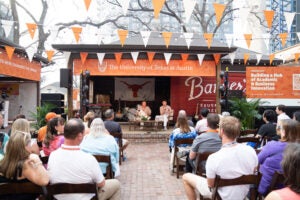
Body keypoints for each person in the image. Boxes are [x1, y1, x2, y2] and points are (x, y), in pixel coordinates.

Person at [182, 116, 258, 200]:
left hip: (220, 195)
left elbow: (210, 185)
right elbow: (254, 171)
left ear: (221, 131)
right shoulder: (251, 151)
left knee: (186, 177)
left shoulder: (214, 158)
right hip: (242, 194)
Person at [47, 118, 121, 200]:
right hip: (86, 198)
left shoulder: (53, 156)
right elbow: (101, 183)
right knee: (116, 184)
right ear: (80, 135)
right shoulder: (89, 158)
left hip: (59, 197)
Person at [0, 131, 49, 199]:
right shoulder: (25, 164)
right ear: (25, 147)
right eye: (30, 144)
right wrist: (37, 161)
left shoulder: (3, 162)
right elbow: (45, 181)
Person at [257, 119, 300, 196]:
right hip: (294, 189)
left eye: (280, 127)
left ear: (283, 132)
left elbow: (257, 160)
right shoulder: (297, 148)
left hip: (269, 188)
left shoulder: (272, 145)